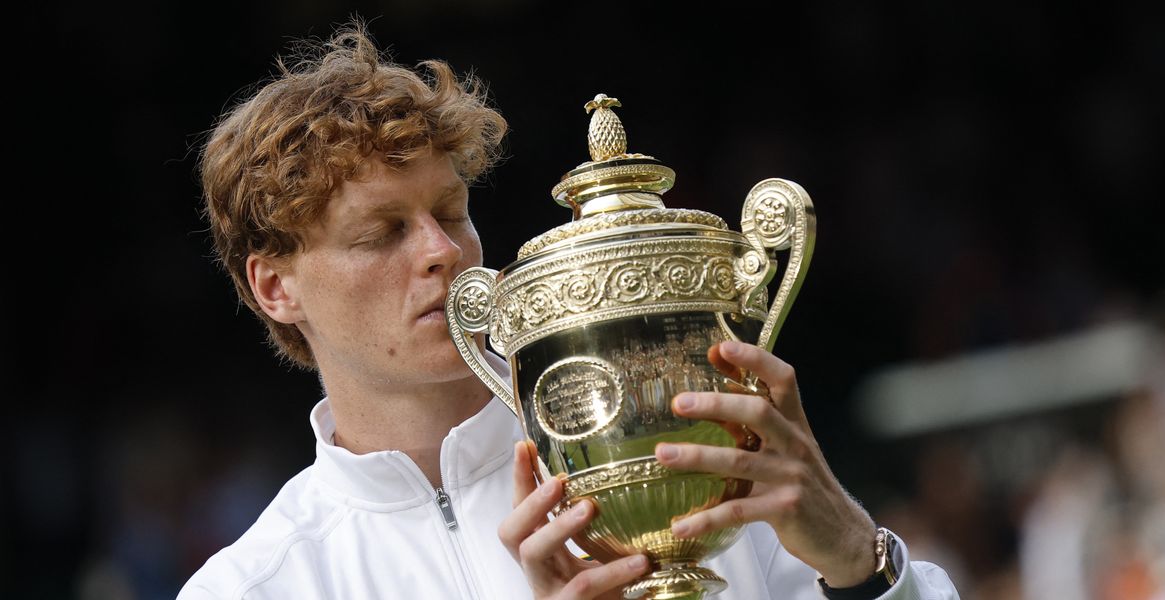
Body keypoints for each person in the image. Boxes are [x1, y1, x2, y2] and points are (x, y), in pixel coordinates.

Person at [180, 23, 959, 600]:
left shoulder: (695, 448)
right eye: (380, 233)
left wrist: (860, 561)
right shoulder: (254, 587)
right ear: (275, 287)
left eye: (450, 213)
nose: (442, 251)